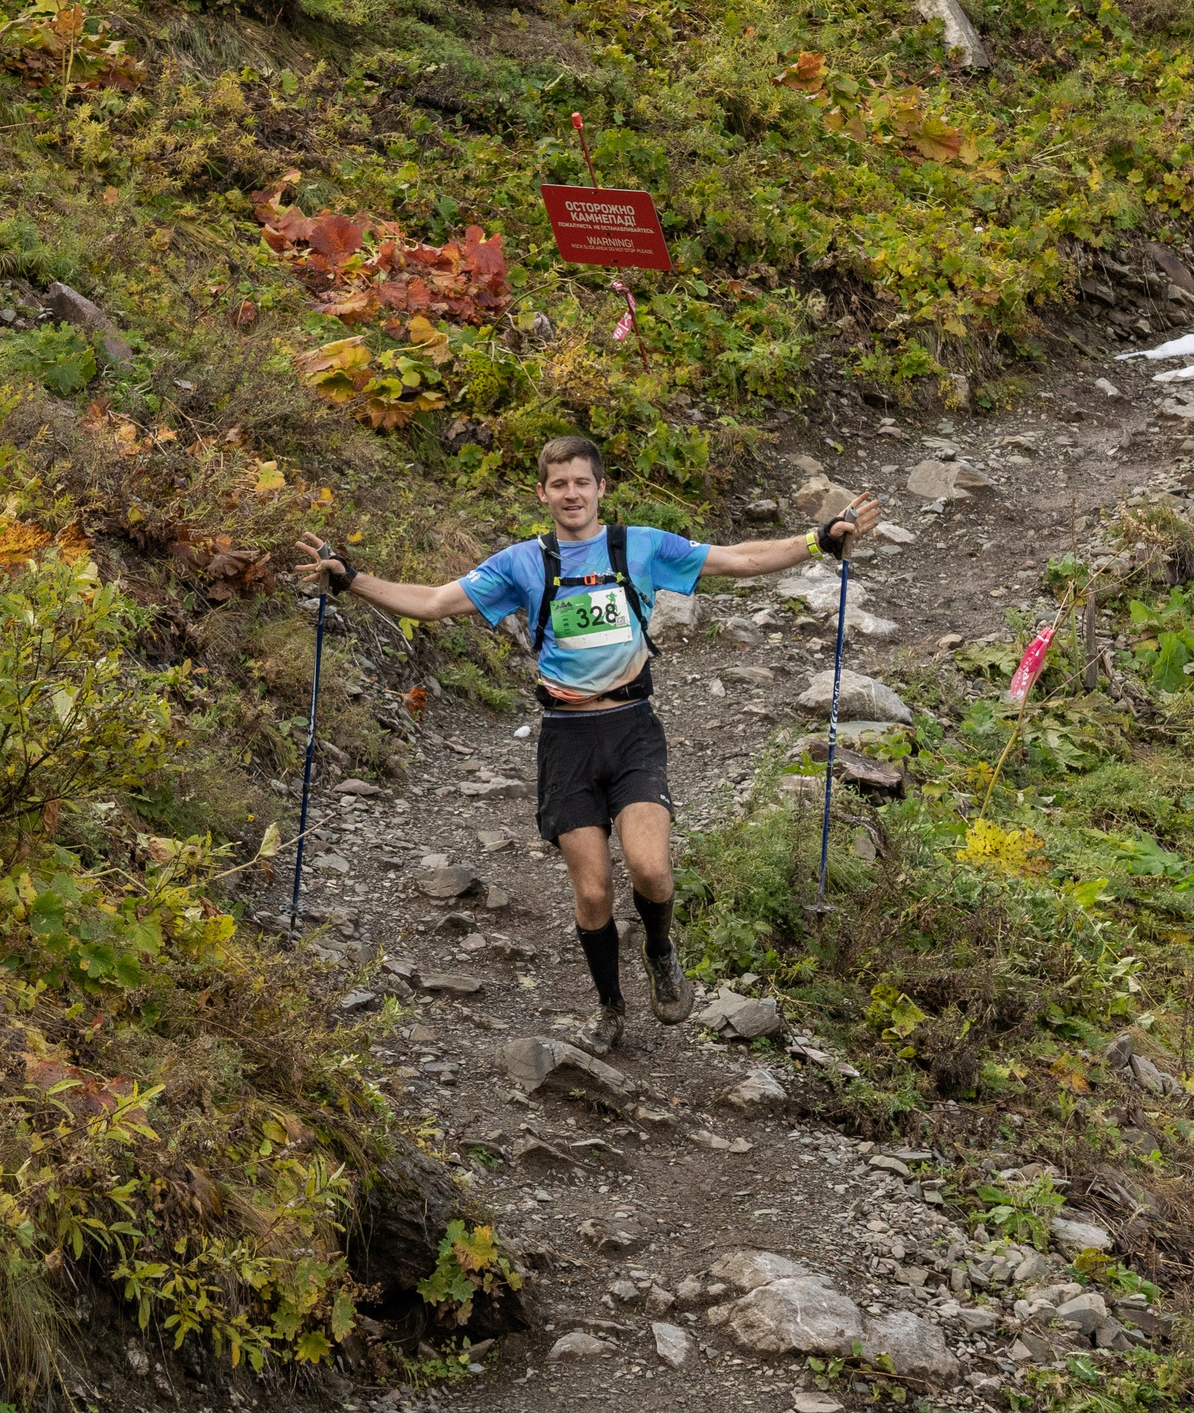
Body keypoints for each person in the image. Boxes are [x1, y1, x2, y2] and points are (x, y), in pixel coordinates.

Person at [295, 434, 882, 1055]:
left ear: (601, 488)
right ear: (543, 493)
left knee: (652, 869)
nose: (571, 493)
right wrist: (351, 579)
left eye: (582, 482)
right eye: (559, 484)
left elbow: (737, 559)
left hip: (632, 730)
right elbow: (435, 603)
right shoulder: (523, 562)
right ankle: (609, 1006)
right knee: (595, 890)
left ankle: (659, 950)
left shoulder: (642, 547)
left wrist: (819, 538)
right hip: (567, 739)